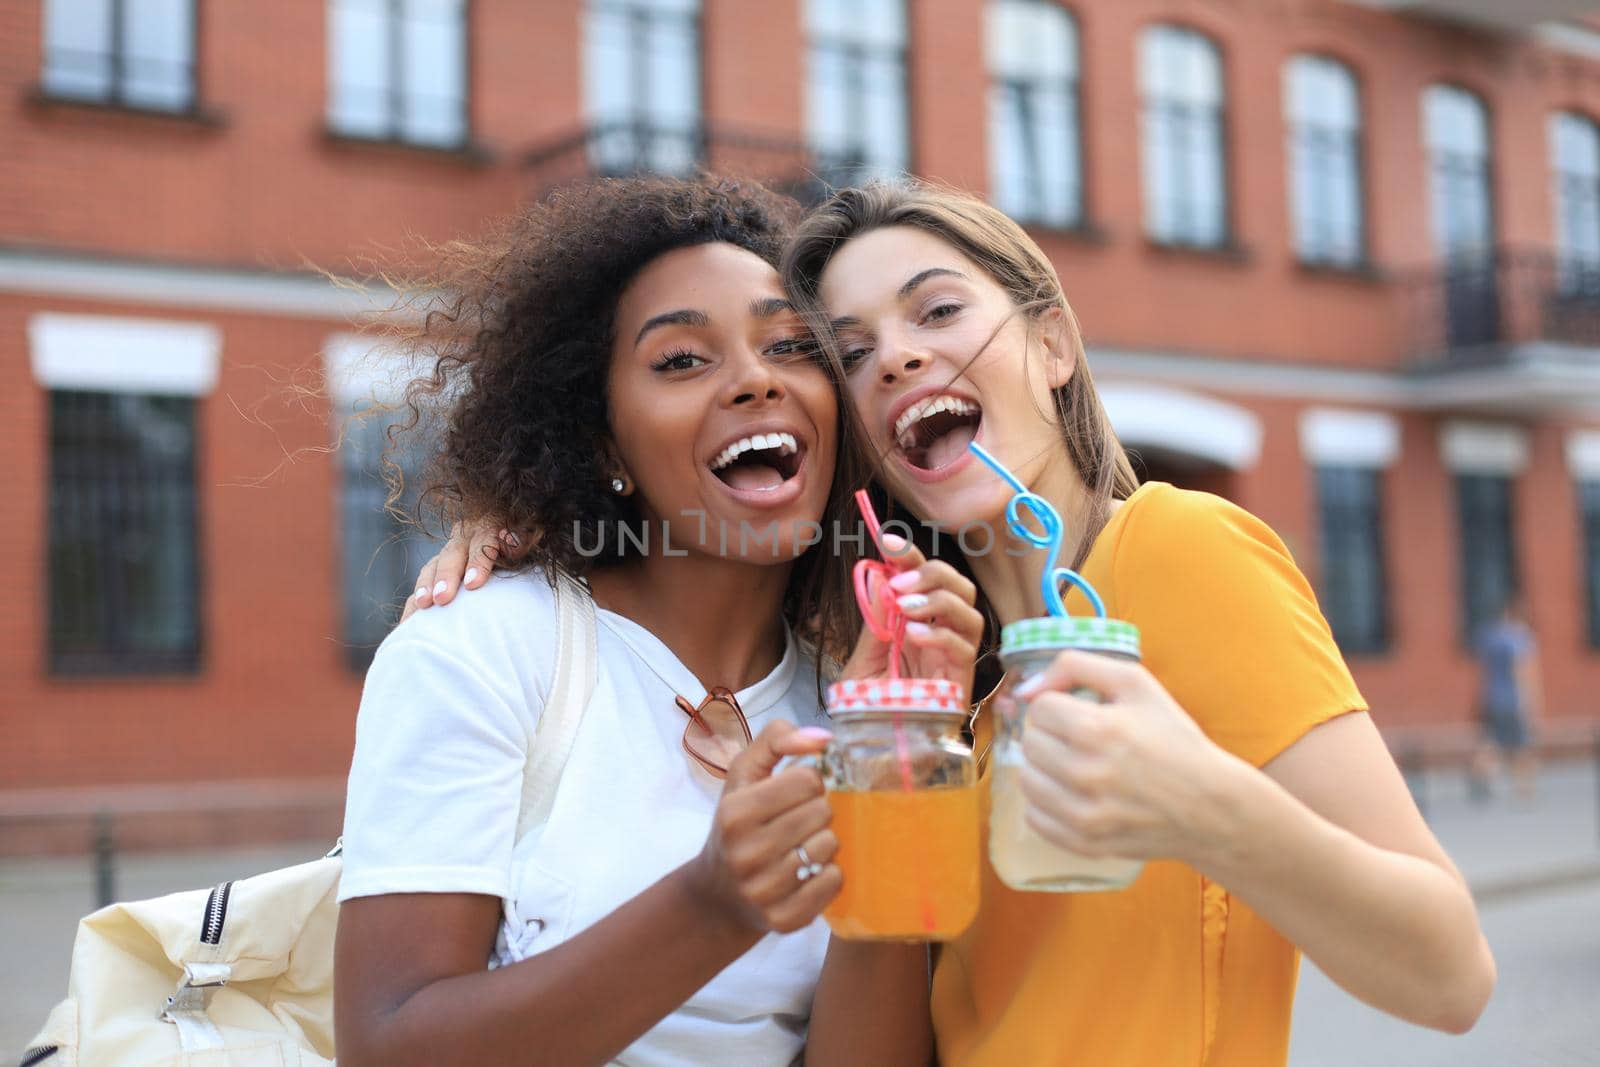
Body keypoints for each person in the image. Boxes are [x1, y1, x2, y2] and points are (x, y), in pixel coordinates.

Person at [418, 180, 1496, 1066]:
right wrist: (542, 525)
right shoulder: (944, 688)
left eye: (936, 312)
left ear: (1053, 345)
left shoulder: (1178, 553)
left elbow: (1448, 973)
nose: (893, 356)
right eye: (847, 348)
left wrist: (1203, 803)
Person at [335, 175, 980, 1067]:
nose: (756, 379)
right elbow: (386, 1045)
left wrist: (893, 753)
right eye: (682, 359)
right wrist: (712, 904)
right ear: (604, 443)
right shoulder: (481, 649)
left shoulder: (849, 702)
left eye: (793, 346)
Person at [1471, 596, 1542, 801]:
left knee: (1492, 741)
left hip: (1491, 696)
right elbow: (1523, 671)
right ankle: (1524, 790)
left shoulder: (1489, 637)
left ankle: (1481, 772)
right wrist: (1530, 702)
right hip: (1513, 698)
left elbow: (1482, 671)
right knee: (1522, 745)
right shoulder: (1520, 638)